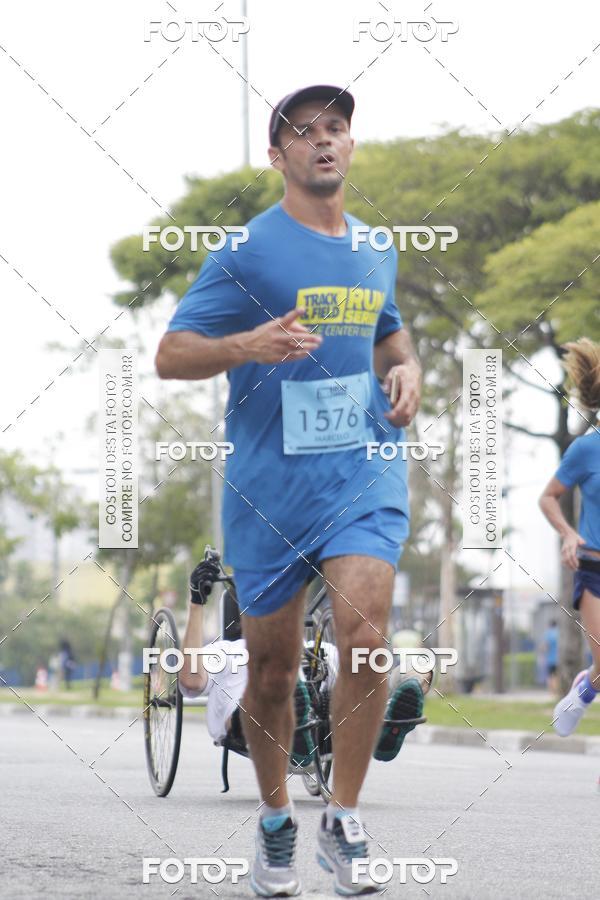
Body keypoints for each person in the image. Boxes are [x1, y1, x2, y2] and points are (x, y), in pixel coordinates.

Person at [156, 84, 421, 896]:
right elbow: (171, 353)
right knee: (270, 674)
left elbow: (388, 331)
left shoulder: (376, 246)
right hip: (269, 485)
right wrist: (248, 344)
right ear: (278, 156)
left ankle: (342, 819)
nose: (324, 140)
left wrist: (406, 368)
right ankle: (276, 822)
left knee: (365, 638)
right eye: (304, 132)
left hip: (363, 469)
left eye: (335, 127)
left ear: (351, 144)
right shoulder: (246, 251)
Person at [178, 560, 430, 771]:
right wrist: (196, 603)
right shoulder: (228, 652)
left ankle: (386, 730)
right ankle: (292, 717)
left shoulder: (319, 651)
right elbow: (190, 681)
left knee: (410, 671)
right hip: (253, 723)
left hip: (323, 728)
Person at [539, 338, 600, 736]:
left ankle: (587, 684)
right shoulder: (585, 449)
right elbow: (548, 498)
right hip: (594, 567)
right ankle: (584, 690)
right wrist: (567, 533)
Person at [541, 620, 559, 693]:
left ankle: (551, 691)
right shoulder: (559, 633)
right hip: (558, 659)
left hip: (550, 659)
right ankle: (556, 690)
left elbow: (545, 646)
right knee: (557, 676)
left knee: (550, 676)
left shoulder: (548, 633)